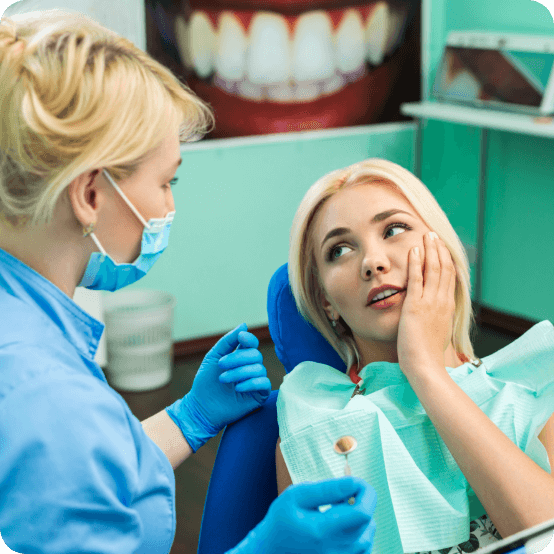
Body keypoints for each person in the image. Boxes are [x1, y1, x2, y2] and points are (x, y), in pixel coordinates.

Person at [0, 8, 377, 554]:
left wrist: (191, 416)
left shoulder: (26, 326)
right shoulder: (44, 394)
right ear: (88, 195)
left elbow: (83, 476)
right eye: (165, 181)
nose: (169, 205)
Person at [275, 158, 554, 554]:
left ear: (441, 247)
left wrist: (425, 370)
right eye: (339, 250)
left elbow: (547, 536)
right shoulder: (316, 431)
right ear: (326, 302)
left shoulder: (535, 387)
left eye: (393, 229)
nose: (373, 262)